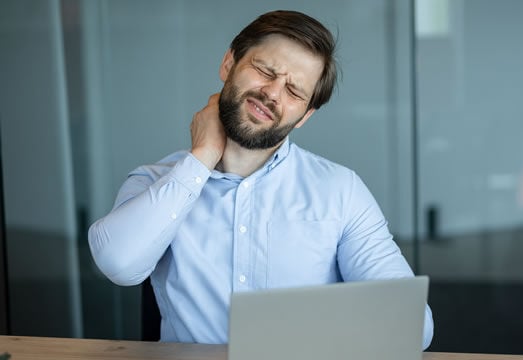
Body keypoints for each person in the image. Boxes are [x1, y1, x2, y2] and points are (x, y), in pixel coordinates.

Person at [88, 10, 434, 349]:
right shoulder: (157, 182)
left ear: (305, 116)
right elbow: (118, 265)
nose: (272, 93)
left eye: (295, 92)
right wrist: (202, 157)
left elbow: (412, 325)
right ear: (229, 64)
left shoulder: (341, 191)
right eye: (265, 70)